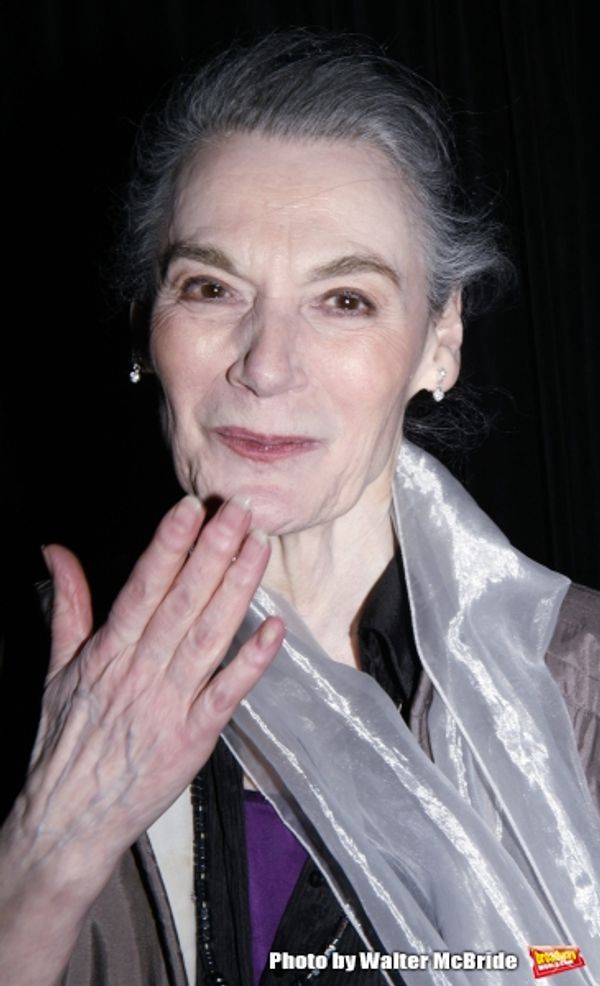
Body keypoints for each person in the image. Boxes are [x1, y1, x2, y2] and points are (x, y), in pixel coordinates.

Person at [1, 31, 599, 986]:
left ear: (439, 342)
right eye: (210, 287)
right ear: (143, 332)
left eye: (346, 300)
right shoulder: (29, 674)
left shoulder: (578, 686)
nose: (266, 364)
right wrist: (41, 862)